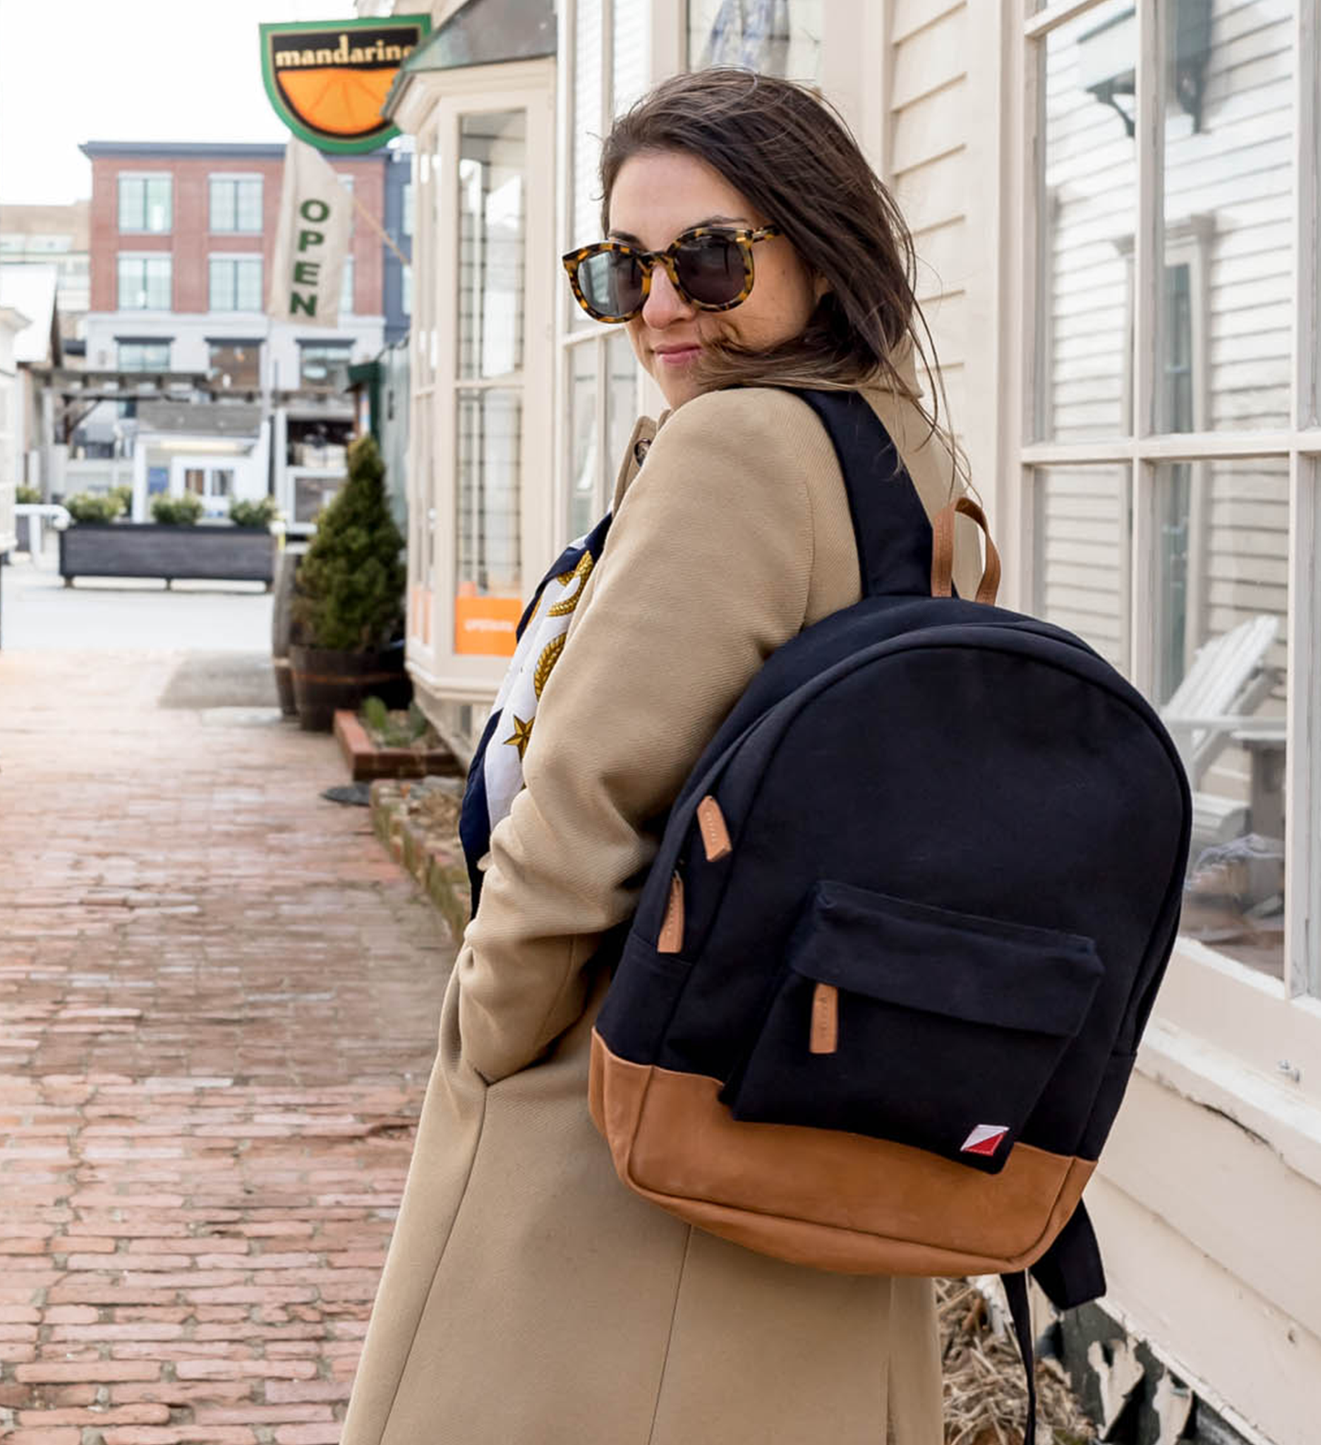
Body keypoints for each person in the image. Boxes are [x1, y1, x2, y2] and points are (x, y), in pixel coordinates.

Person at [340, 68, 985, 1445]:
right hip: (820, 1112)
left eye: (710, 258)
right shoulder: (910, 458)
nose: (661, 306)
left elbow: (585, 808)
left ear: (822, 250)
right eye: (622, 269)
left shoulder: (736, 447)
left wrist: (486, 1041)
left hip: (625, 1142)